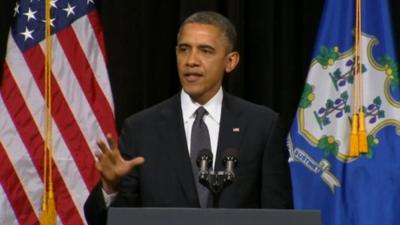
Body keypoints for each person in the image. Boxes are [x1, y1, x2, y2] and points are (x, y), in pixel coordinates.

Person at [84, 11, 293, 225]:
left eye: (206, 51)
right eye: (184, 49)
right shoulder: (141, 129)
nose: (191, 61)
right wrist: (109, 188)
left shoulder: (262, 126)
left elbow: (278, 215)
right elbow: (106, 221)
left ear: (230, 61)